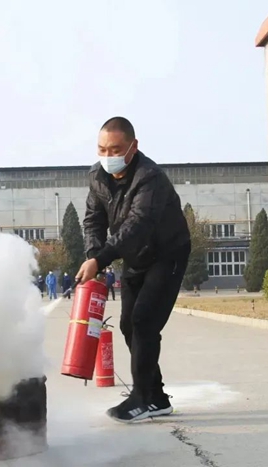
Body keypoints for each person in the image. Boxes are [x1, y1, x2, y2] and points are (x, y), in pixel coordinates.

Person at [75, 116, 191, 423]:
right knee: (128, 324)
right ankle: (157, 396)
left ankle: (140, 399)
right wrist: (93, 255)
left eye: (115, 149)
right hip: (135, 257)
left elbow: (137, 225)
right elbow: (93, 220)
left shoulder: (150, 178)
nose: (108, 156)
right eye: (102, 149)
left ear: (133, 147)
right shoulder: (98, 177)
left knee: (144, 322)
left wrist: (100, 260)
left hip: (167, 254)